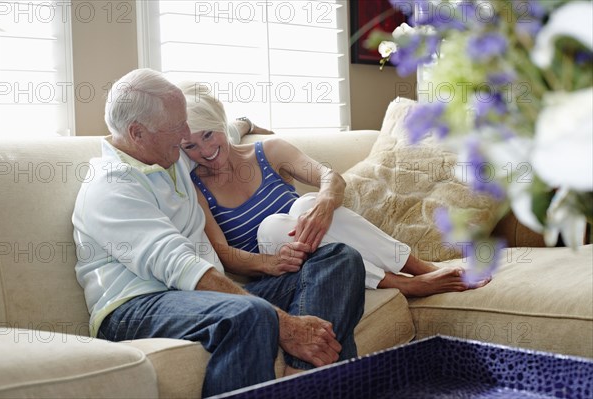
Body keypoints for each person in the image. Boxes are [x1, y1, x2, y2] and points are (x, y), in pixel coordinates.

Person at [72, 69, 366, 398]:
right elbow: (180, 265)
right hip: (133, 307)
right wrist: (285, 324)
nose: (186, 134)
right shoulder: (110, 188)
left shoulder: (168, 154)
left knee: (339, 259)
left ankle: (302, 380)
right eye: (177, 127)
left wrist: (244, 123)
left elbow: (222, 132)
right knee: (252, 314)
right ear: (137, 133)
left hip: (196, 296)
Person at [178, 82, 491, 296]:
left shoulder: (268, 151)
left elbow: (331, 178)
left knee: (305, 206)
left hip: (325, 252)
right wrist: (268, 263)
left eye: (208, 135)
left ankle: (421, 267)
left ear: (221, 124)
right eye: (190, 145)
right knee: (272, 226)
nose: (204, 151)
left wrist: (325, 204)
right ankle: (404, 284)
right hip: (278, 270)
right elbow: (223, 253)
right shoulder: (196, 188)